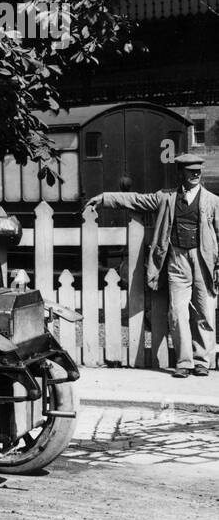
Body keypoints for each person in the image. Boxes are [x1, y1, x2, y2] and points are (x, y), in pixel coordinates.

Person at [86, 153, 219, 377]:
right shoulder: (166, 197)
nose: (195, 174)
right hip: (176, 261)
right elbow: (136, 200)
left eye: (198, 170)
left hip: (203, 261)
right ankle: (184, 362)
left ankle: (202, 361)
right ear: (180, 173)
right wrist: (105, 198)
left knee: (203, 311)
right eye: (190, 171)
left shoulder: (213, 201)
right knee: (177, 312)